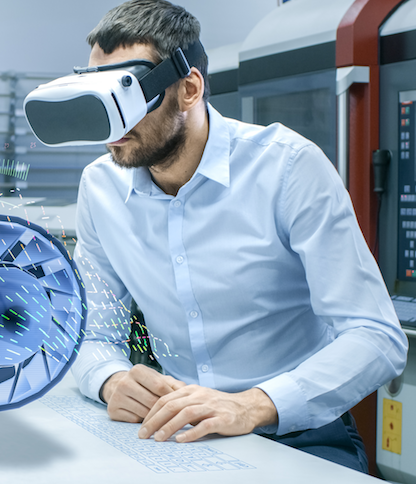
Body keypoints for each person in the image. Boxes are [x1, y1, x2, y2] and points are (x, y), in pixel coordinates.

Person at [70, 0, 408, 473]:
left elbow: (376, 337)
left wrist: (253, 404)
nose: (110, 123)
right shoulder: (100, 187)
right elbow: (89, 333)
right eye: (97, 100)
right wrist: (109, 379)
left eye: (126, 98)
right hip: (177, 429)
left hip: (299, 435)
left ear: (189, 89)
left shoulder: (288, 167)